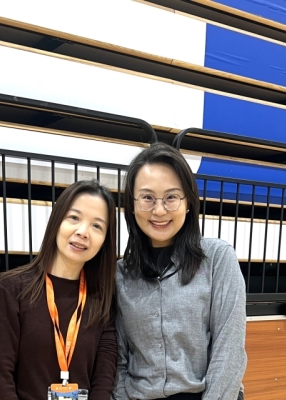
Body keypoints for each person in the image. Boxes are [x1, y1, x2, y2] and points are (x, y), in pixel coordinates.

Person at [113, 143, 247, 400]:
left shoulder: (218, 258)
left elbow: (229, 350)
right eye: (147, 198)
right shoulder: (120, 274)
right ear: (132, 205)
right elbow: (117, 360)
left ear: (188, 203)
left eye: (171, 197)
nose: (159, 210)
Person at [0, 179, 118, 400]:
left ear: (105, 239)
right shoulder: (12, 289)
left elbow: (104, 375)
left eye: (97, 226)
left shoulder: (103, 298)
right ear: (57, 221)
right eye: (74, 218)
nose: (83, 232)